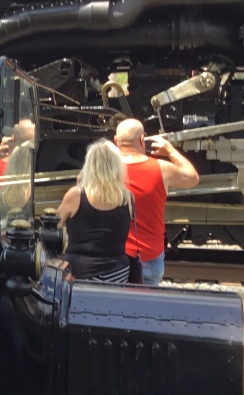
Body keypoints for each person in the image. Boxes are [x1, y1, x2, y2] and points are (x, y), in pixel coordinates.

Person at [114, 118, 199, 285]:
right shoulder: (161, 168)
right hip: (148, 257)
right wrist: (170, 150)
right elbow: (192, 177)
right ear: (142, 139)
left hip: (116, 258)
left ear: (116, 141)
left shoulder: (105, 171)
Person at [56, 139, 132, 282]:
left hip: (79, 274)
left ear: (89, 165)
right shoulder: (128, 198)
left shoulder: (76, 195)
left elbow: (53, 227)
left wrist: (78, 186)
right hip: (117, 274)